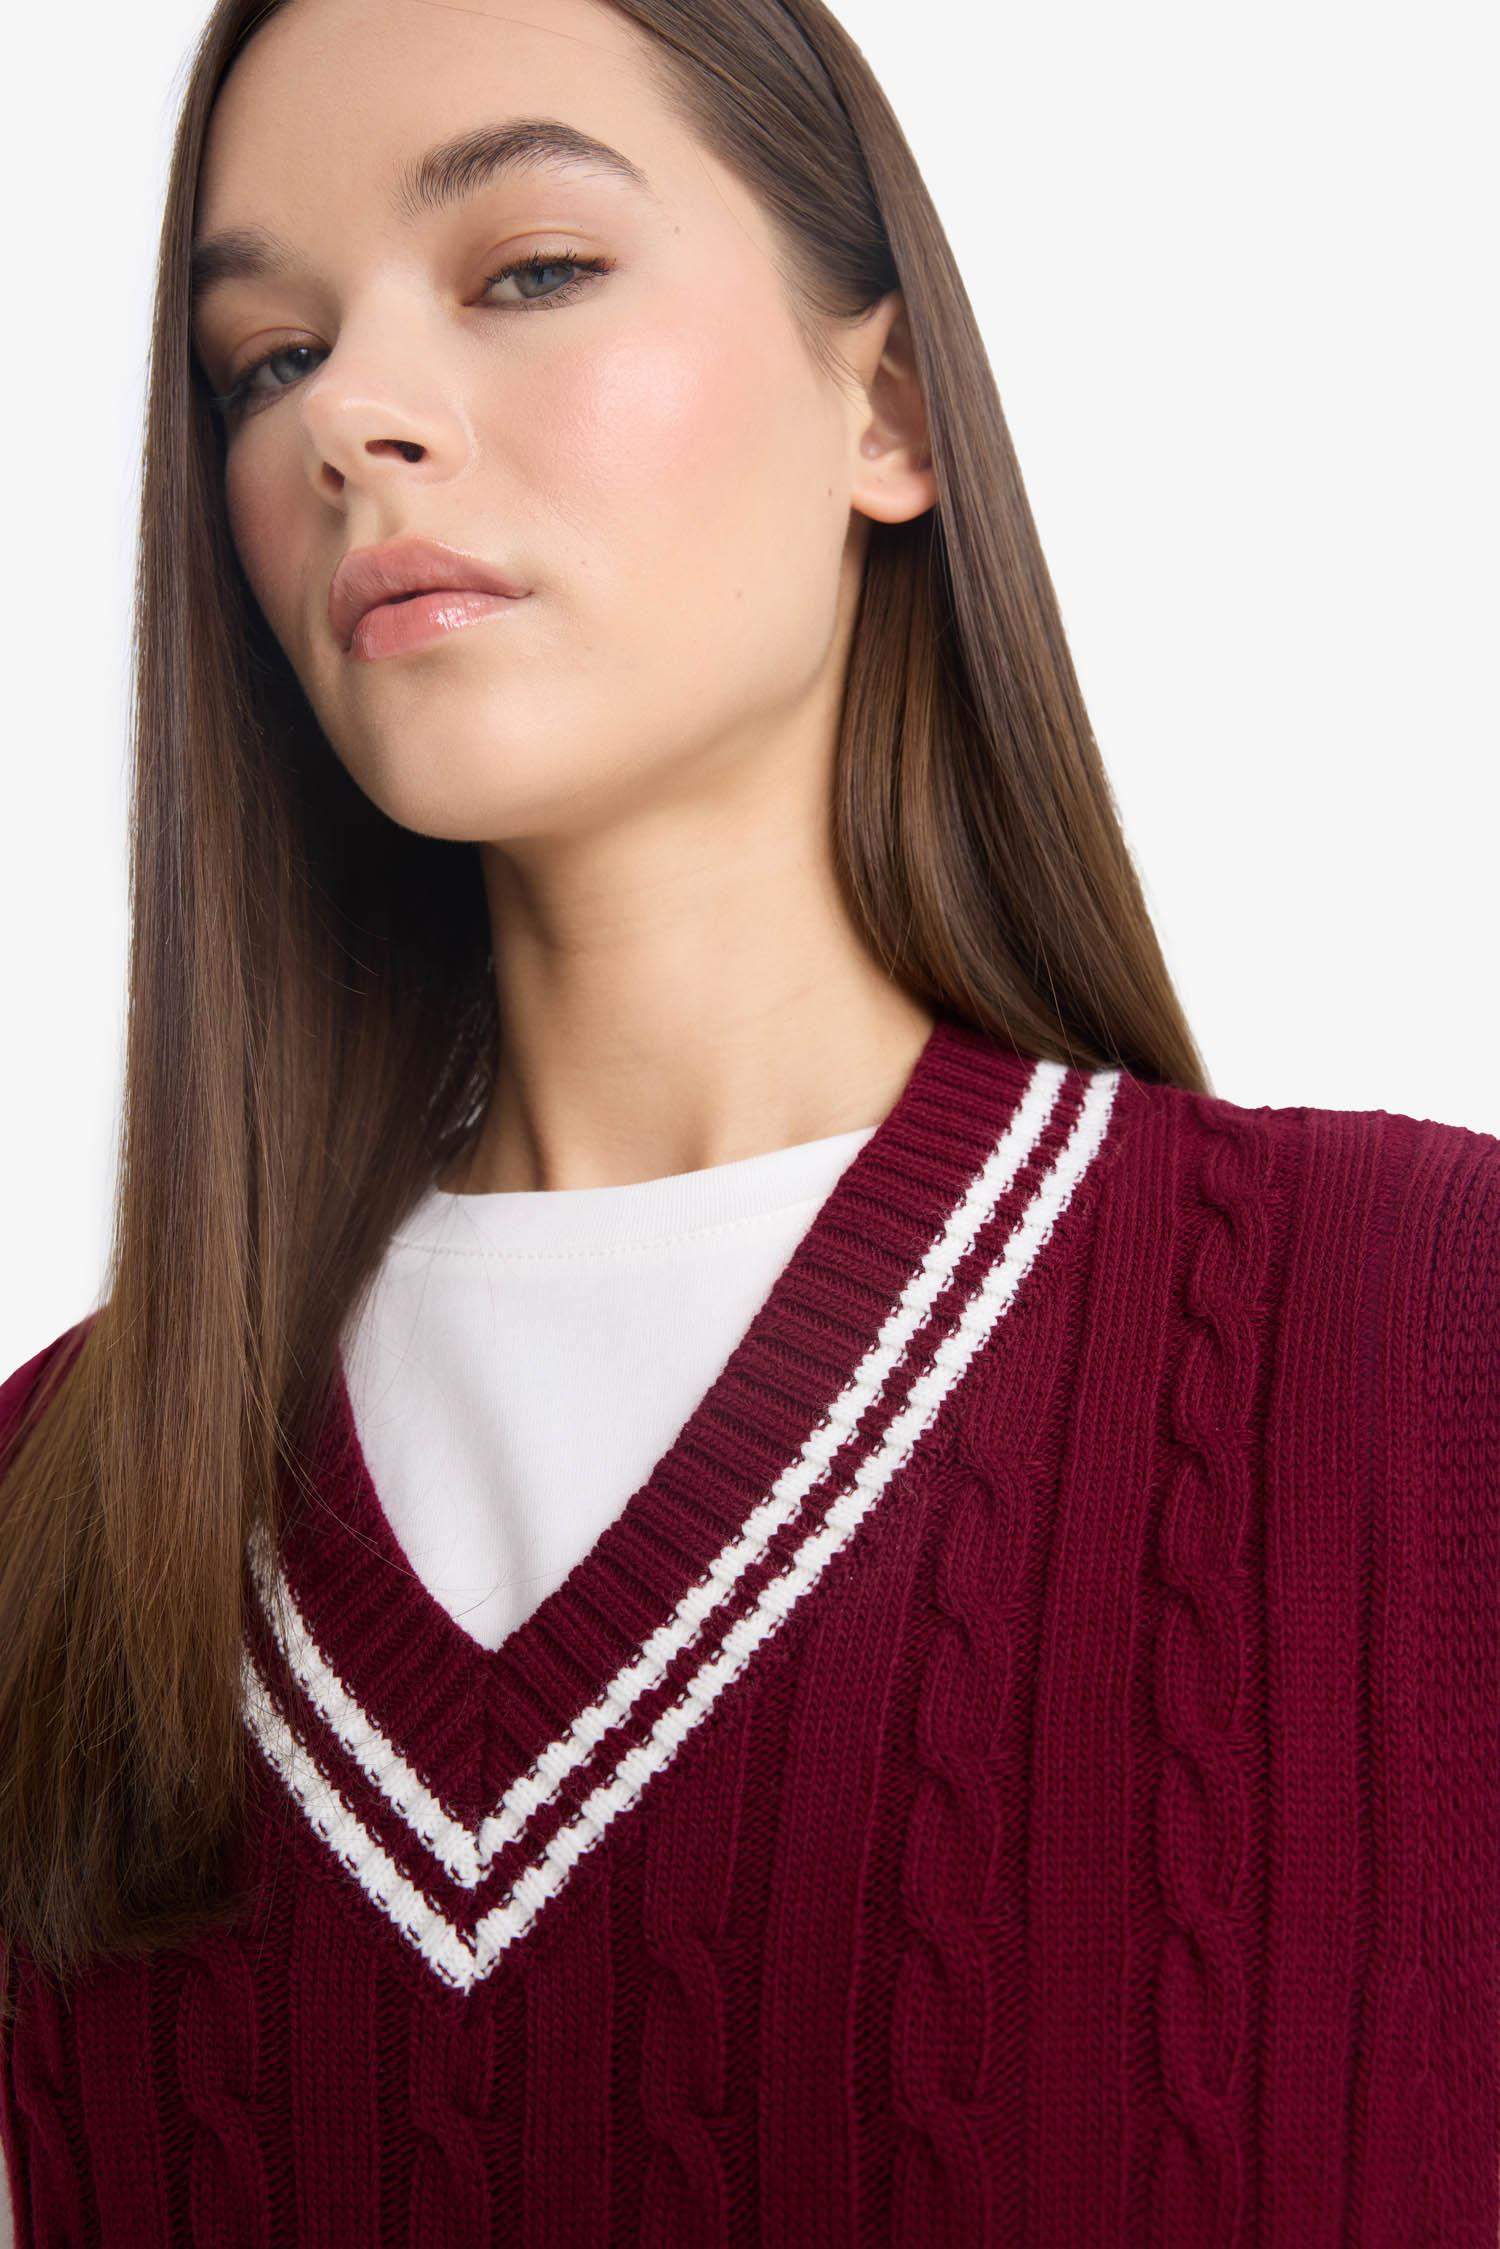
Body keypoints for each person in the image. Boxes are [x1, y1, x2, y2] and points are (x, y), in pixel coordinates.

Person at [0, 0, 1495, 2239]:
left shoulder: (1425, 1334)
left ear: (885, 411)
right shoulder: (56, 1521)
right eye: (265, 360)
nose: (352, 420)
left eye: (528, 271)